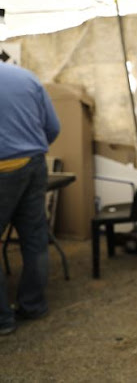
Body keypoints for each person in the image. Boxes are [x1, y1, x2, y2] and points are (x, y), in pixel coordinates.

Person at [0, 62, 60, 336]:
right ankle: (33, 305)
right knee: (35, 239)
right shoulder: (26, 77)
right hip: (33, 163)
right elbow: (53, 127)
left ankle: (3, 319)